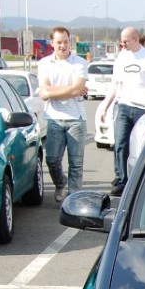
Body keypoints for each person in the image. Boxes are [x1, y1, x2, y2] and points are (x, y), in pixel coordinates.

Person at [99, 27, 145, 196]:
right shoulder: (121, 57)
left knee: (143, 145)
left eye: (126, 41)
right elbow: (115, 85)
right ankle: (122, 180)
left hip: (143, 108)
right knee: (120, 144)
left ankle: (141, 179)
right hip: (123, 106)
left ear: (136, 39)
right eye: (121, 41)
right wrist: (105, 106)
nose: (123, 44)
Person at [37, 26, 89, 203]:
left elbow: (76, 89)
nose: (63, 45)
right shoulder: (44, 63)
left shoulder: (79, 62)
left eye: (66, 41)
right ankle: (60, 184)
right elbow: (46, 87)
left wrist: (51, 92)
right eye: (59, 42)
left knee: (76, 163)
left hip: (76, 119)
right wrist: (73, 89)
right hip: (54, 119)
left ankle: (73, 199)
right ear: (52, 43)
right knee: (52, 160)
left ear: (70, 41)